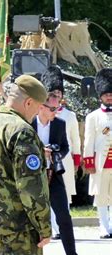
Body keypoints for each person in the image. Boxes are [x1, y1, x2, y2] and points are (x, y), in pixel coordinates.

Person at [0, 75, 51, 255]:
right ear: (29, 102)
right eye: (37, 107)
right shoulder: (22, 131)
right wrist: (44, 227)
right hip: (19, 230)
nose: (36, 113)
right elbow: (31, 187)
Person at [32, 93, 93, 255]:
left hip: (53, 176)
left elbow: (65, 147)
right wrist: (40, 151)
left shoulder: (59, 124)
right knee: (30, 219)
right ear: (41, 107)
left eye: (58, 108)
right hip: (31, 179)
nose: (56, 112)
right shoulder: (28, 123)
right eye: (52, 109)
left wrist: (54, 153)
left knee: (64, 217)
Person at [41, 66, 82, 239]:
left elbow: (74, 140)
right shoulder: (39, 113)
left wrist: (77, 158)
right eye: (52, 93)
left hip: (62, 161)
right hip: (43, 160)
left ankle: (60, 227)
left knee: (62, 197)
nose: (56, 97)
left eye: (58, 94)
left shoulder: (69, 115)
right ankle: (52, 227)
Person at [83, 68, 112, 239]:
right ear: (100, 96)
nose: (109, 97)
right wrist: (89, 162)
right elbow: (89, 140)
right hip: (100, 163)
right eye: (106, 94)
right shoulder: (92, 117)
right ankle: (104, 226)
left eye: (111, 93)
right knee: (100, 195)